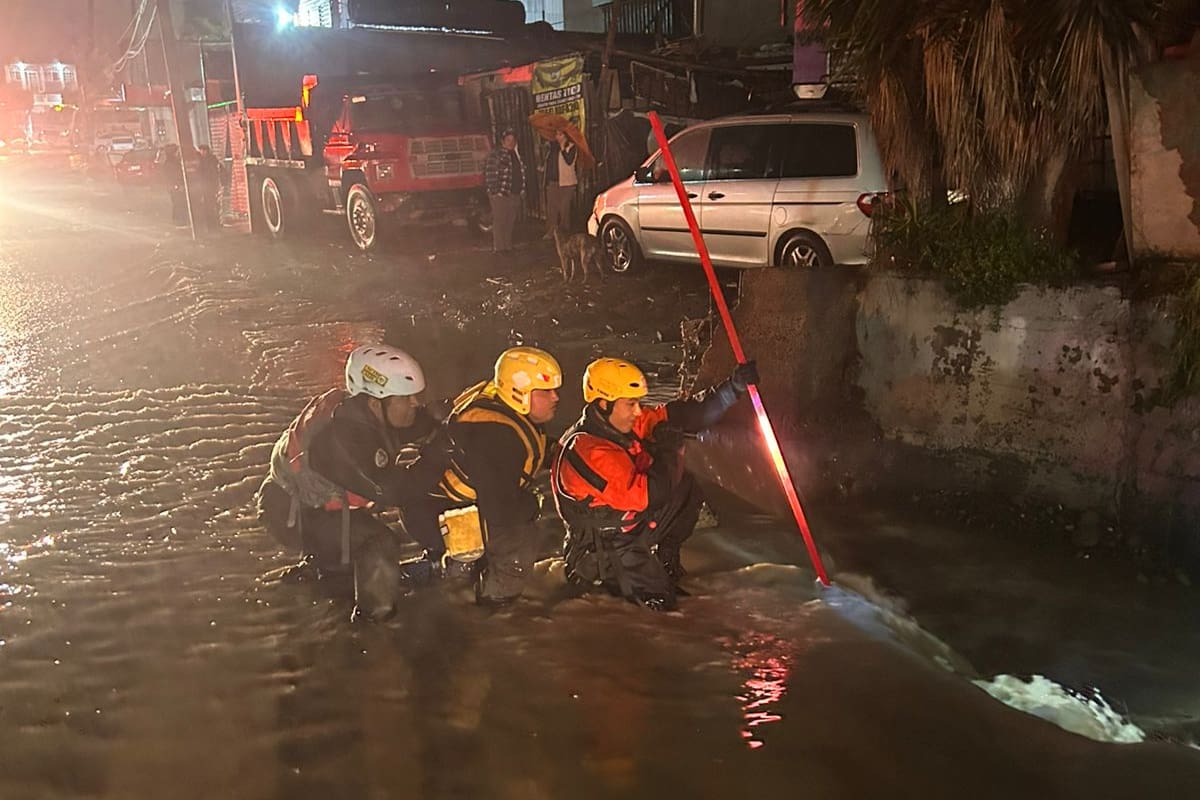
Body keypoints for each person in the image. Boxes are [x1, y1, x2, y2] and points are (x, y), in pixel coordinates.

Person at [551, 357, 759, 611]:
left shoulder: (618, 422)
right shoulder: (592, 451)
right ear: (604, 404)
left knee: (688, 486)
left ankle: (667, 560)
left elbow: (686, 414)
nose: (638, 411)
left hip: (627, 528)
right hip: (605, 550)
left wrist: (731, 388)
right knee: (663, 605)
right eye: (631, 403)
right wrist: (667, 451)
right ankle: (609, 594)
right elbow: (652, 495)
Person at [256, 344, 438, 622]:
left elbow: (419, 423)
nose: (415, 403)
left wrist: (449, 417)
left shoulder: (363, 411)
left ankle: (325, 569)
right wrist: (439, 461)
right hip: (289, 515)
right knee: (380, 542)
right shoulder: (342, 439)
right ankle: (375, 619)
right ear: (376, 402)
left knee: (345, 560)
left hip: (304, 504)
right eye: (407, 397)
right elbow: (395, 491)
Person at [402, 346, 562, 606]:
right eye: (546, 391)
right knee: (520, 535)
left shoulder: (501, 408)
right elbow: (501, 511)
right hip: (434, 514)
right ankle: (495, 602)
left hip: (429, 505)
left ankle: (443, 566)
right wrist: (532, 504)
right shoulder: (497, 437)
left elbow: (524, 450)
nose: (555, 397)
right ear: (518, 392)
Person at [483, 127, 524, 253]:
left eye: (513, 140)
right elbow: (489, 174)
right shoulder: (496, 154)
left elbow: (520, 173)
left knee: (510, 220)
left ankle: (507, 245)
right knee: (500, 220)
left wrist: (521, 189)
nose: (511, 142)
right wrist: (495, 192)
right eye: (508, 140)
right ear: (502, 141)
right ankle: (499, 248)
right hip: (501, 194)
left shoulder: (516, 154)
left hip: (514, 193)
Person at [542, 128, 578, 235]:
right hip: (553, 182)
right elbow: (550, 163)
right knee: (552, 208)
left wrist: (563, 147)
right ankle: (551, 231)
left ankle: (564, 232)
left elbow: (569, 161)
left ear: (566, 136)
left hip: (567, 183)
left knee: (564, 209)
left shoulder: (571, 147)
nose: (558, 137)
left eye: (560, 134)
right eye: (556, 134)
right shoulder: (552, 148)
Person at [194, 144, 222, 232]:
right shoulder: (199, 159)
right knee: (207, 205)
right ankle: (210, 224)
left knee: (213, 204)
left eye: (203, 150)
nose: (202, 152)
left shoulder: (212, 159)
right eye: (201, 150)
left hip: (211, 185)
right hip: (204, 185)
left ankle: (215, 222)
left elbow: (215, 171)